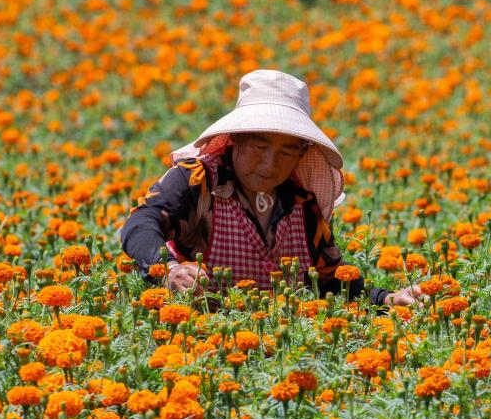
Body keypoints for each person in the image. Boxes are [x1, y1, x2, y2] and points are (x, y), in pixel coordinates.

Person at [120, 69, 423, 308]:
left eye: (286, 152)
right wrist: (169, 269)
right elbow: (141, 223)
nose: (269, 164)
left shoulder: (302, 203)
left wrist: (386, 299)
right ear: (235, 138)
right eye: (259, 146)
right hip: (202, 344)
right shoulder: (199, 180)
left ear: (302, 153)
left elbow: (331, 282)